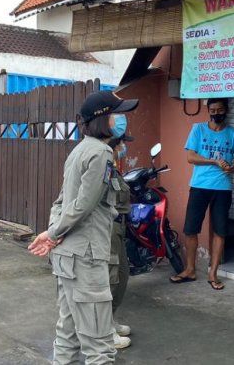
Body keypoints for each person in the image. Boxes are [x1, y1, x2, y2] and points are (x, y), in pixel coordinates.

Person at [29, 90, 139, 365]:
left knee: (68, 334)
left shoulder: (80, 149)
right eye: (118, 114)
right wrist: (52, 234)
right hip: (86, 257)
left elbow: (62, 201)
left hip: (69, 256)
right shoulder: (101, 152)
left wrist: (54, 234)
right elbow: (82, 205)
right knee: (99, 345)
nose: (123, 119)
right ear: (104, 119)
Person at [171, 98, 234, 289]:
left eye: (220, 110)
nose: (216, 113)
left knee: (220, 230)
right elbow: (191, 157)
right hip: (199, 186)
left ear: (226, 111)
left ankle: (213, 273)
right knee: (190, 229)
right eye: (212, 110)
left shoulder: (233, 134)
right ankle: (190, 269)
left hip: (222, 188)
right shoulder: (198, 129)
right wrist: (214, 162)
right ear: (208, 111)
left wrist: (233, 168)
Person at [108, 135, 133, 350]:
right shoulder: (104, 168)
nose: (124, 148)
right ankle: (104, 332)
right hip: (108, 229)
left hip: (119, 227)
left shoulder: (115, 169)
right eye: (121, 144)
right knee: (111, 279)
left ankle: (111, 321)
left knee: (122, 276)